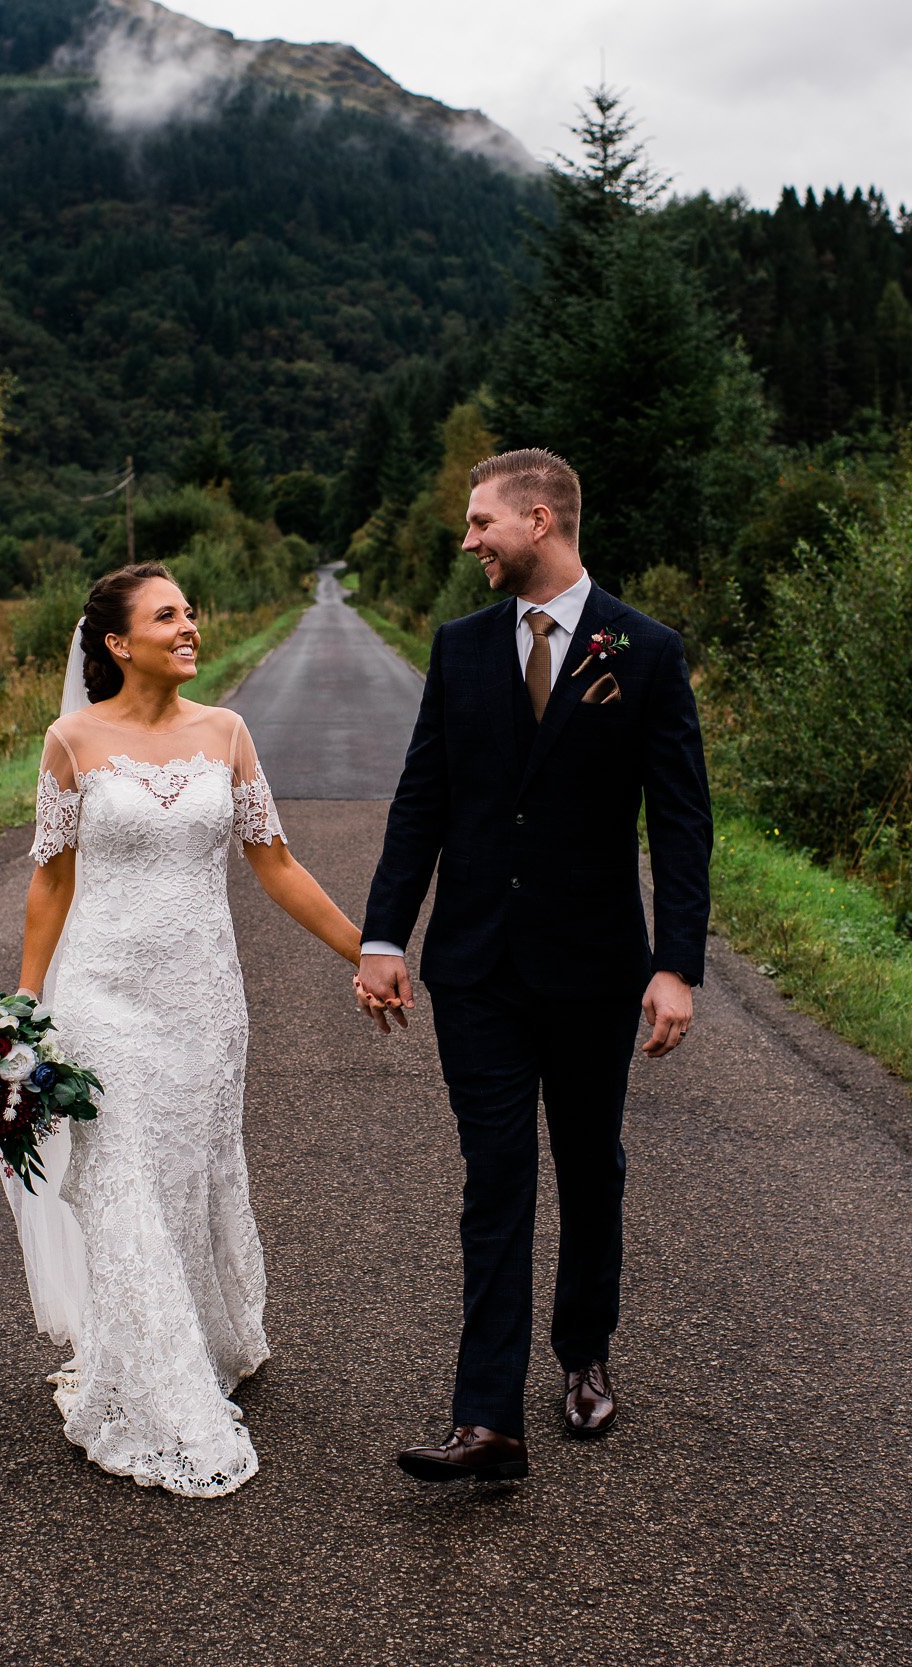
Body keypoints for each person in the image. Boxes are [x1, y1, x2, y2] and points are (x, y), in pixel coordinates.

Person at [354, 448, 713, 1483]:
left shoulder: (643, 651)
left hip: (598, 966)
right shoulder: (459, 648)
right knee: (496, 1177)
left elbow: (681, 823)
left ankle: (584, 1349)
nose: (468, 541)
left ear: (540, 519)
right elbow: (422, 799)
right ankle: (486, 1417)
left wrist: (674, 961)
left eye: (481, 523)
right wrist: (385, 935)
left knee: (590, 1168)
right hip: (476, 967)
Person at [12, 561, 365, 1497]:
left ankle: (197, 1336)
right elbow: (51, 878)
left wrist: (363, 950)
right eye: (167, 616)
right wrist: (25, 1006)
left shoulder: (229, 732)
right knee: (125, 1173)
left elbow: (276, 862)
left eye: (191, 612)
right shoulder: (71, 740)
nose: (189, 626)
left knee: (188, 1170)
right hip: (102, 996)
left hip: (203, 999)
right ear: (119, 644)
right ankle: (159, 1391)